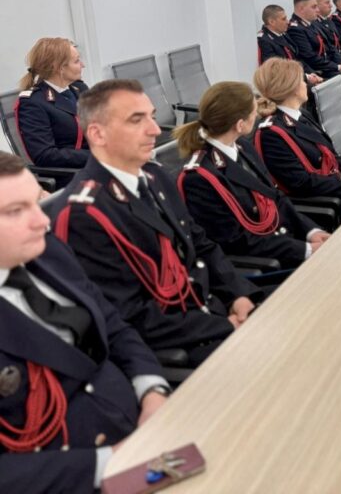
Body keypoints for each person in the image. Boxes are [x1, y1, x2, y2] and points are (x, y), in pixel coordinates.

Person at [49, 80, 258, 366]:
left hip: (212, 310)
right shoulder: (84, 214)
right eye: (137, 120)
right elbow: (129, 315)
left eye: (152, 116)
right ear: (97, 134)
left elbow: (200, 245)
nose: (155, 130)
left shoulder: (154, 176)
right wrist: (223, 327)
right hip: (178, 346)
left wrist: (239, 295)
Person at [0, 152, 170, 493]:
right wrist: (108, 462)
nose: (42, 221)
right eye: (16, 211)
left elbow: (112, 324)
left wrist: (152, 389)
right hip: (74, 478)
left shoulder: (48, 252)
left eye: (37, 202)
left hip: (146, 427)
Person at [174, 82, 331, 269]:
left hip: (282, 242)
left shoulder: (243, 147)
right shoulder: (199, 177)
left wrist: (310, 231)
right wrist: (305, 250)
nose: (256, 116)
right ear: (240, 125)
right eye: (253, 112)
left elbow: (275, 197)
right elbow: (236, 242)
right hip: (266, 263)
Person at [252, 59, 341, 222]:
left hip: (335, 186)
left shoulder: (300, 115)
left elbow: (331, 156)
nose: (305, 84)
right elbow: (302, 184)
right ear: (292, 89)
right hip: (323, 203)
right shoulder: (271, 134)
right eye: (302, 81)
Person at [13, 38, 90, 186]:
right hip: (70, 176)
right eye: (76, 61)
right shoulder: (32, 103)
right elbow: (45, 155)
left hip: (95, 166)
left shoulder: (79, 89)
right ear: (58, 68)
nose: (83, 65)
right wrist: (95, 156)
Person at [287, 0, 341, 79]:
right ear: (301, 9)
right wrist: (337, 67)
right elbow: (310, 57)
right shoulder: (295, 29)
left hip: (328, 66)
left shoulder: (312, 23)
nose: (317, 10)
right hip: (317, 72)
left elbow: (329, 47)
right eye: (314, 7)